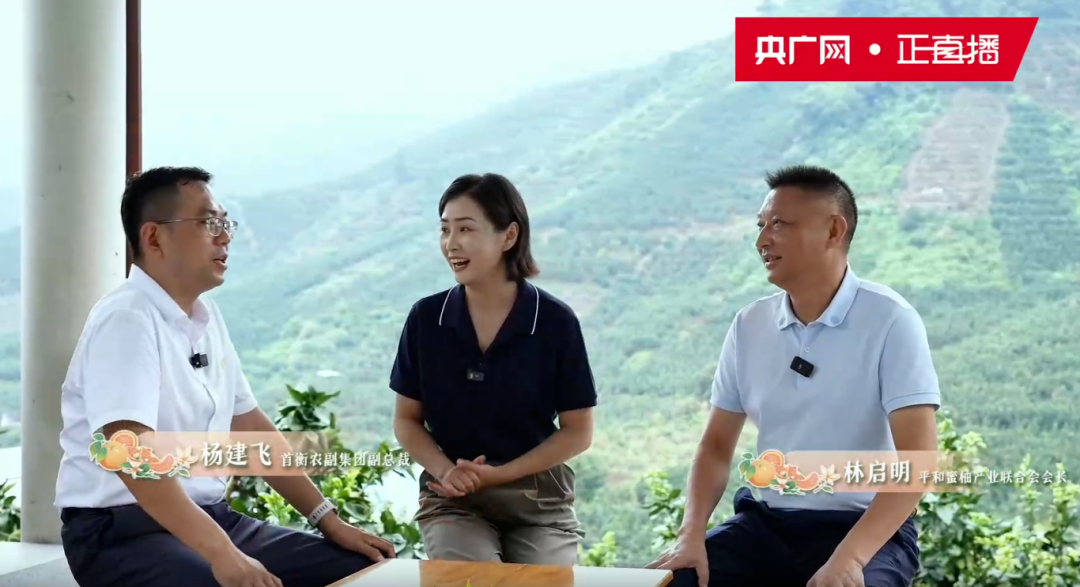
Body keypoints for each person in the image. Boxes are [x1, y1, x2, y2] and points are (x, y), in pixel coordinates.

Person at [55, 166, 395, 587]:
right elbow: (129, 452)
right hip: (122, 532)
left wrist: (328, 519)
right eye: (208, 223)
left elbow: (249, 426)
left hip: (211, 519)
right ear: (154, 237)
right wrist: (222, 553)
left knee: (366, 569)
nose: (224, 237)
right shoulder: (127, 318)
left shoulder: (206, 316)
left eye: (224, 223)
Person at [647, 165, 940, 587]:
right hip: (766, 526)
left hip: (865, 531)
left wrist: (849, 559)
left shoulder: (891, 320)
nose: (762, 240)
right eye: (761, 226)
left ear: (834, 230)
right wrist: (690, 536)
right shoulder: (749, 324)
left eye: (780, 225)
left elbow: (919, 463)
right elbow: (715, 446)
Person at [390, 173, 597, 565]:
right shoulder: (426, 319)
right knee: (472, 581)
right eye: (445, 229)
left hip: (539, 504)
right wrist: (445, 471)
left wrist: (502, 474)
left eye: (466, 229)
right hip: (454, 500)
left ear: (509, 236)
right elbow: (406, 420)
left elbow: (578, 431)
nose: (451, 243)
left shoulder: (554, 321)